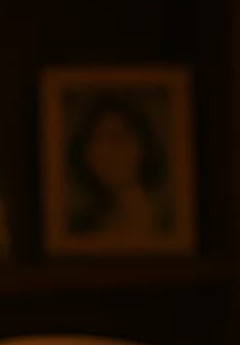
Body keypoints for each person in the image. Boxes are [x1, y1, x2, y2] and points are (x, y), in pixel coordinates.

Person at [64, 94, 173, 239]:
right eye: (96, 140)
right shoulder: (80, 226)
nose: (104, 152)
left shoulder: (169, 222)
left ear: (143, 146)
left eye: (117, 138)